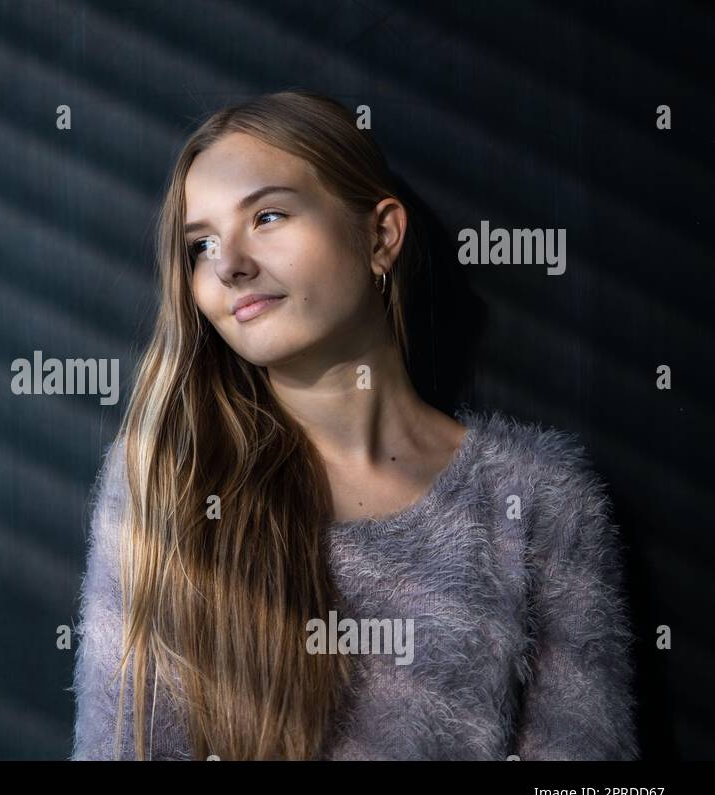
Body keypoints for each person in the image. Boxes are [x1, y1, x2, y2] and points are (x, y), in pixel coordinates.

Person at [69, 89, 639, 760]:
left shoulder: (541, 500)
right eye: (201, 245)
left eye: (269, 215)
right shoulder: (168, 487)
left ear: (380, 235)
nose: (229, 264)